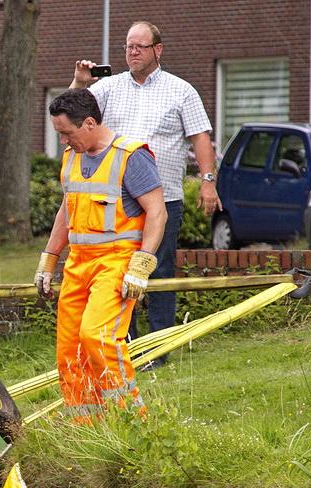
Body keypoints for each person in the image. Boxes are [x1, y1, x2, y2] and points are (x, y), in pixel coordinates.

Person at [70, 21, 221, 368]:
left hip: (162, 200)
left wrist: (208, 181)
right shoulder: (108, 87)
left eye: (140, 46)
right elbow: (70, 115)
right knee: (118, 273)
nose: (133, 52)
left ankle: (158, 351)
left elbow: (200, 137)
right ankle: (126, 348)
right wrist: (80, 82)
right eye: (128, 46)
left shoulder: (181, 90)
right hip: (116, 202)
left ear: (158, 49)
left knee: (158, 271)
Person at [35, 89, 167, 421]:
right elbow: (67, 210)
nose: (63, 141)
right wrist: (49, 259)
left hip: (116, 262)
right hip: (78, 263)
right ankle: (87, 425)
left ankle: (132, 421)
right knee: (70, 347)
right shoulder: (72, 156)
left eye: (67, 132)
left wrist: (141, 265)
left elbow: (158, 212)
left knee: (98, 337)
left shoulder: (131, 157)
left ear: (90, 123)